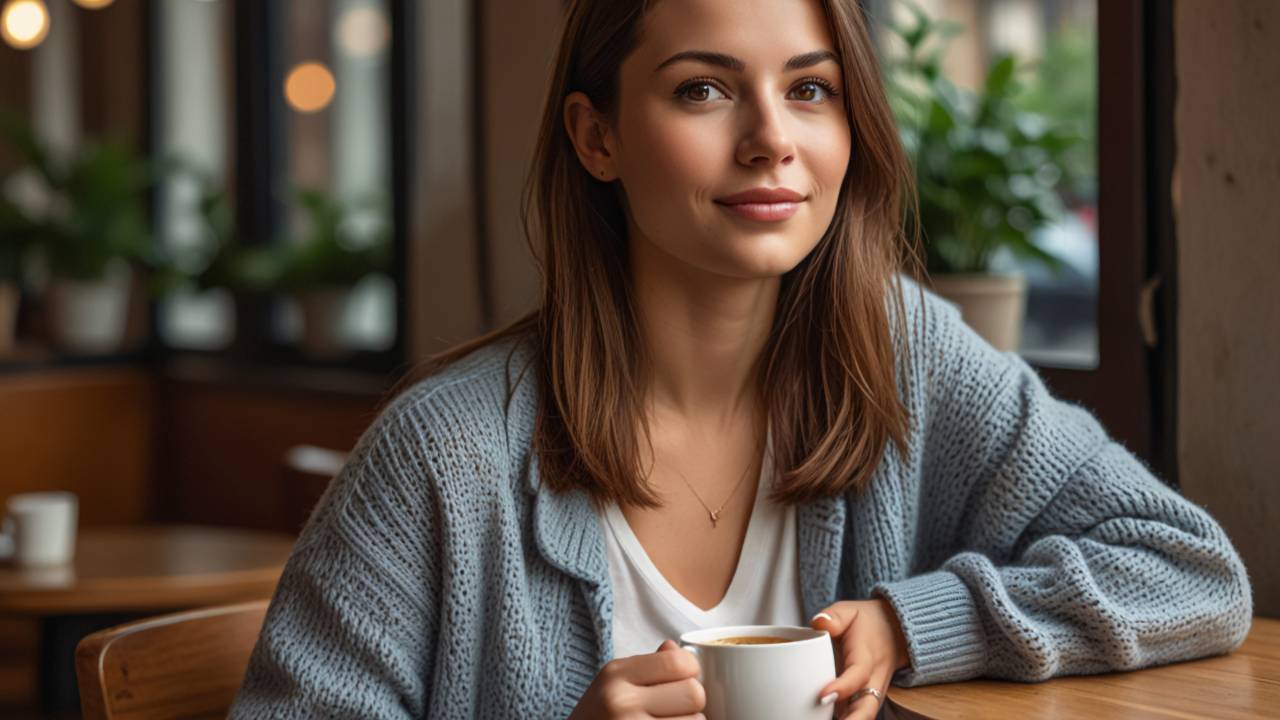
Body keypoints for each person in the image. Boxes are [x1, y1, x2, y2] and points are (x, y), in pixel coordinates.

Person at [229, 0, 1253, 718]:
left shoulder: (907, 358)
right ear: (596, 138)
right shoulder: (439, 458)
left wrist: (913, 624)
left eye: (809, 90)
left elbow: (1187, 570)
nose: (771, 140)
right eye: (703, 92)